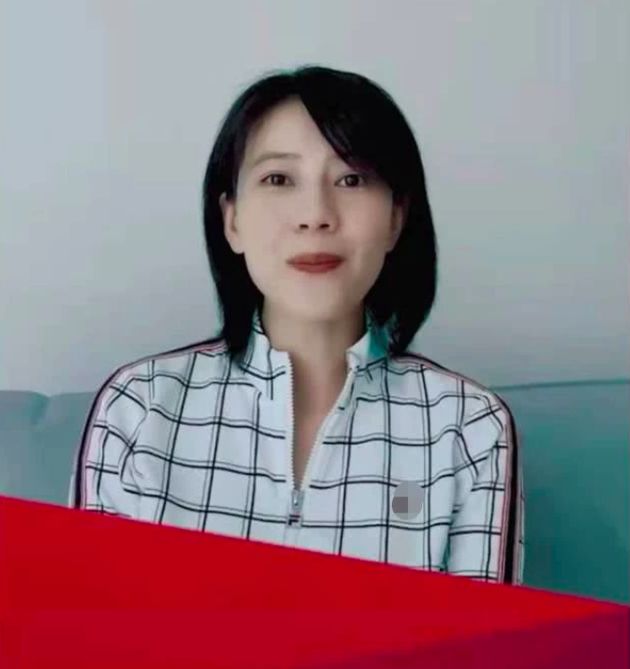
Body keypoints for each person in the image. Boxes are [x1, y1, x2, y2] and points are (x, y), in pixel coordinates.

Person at [69, 64, 524, 584]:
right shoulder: (139, 408)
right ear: (232, 220)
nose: (315, 215)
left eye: (351, 179)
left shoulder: (469, 427)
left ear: (396, 219)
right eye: (278, 179)